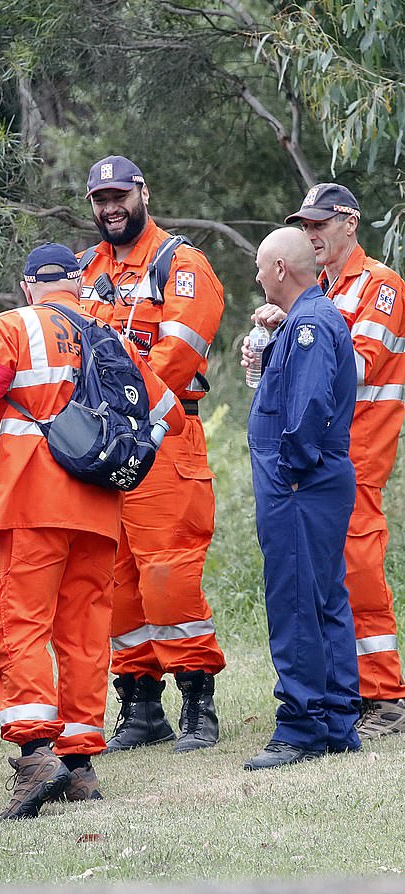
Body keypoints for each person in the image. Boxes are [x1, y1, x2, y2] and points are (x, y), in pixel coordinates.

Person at [0, 243, 185, 820]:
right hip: (100, 508)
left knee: (16, 623)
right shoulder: (113, 335)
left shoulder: (9, 327)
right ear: (77, 283)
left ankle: (34, 754)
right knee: (84, 633)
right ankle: (79, 767)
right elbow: (168, 414)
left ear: (28, 287)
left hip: (28, 501)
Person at [79, 155, 226, 753]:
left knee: (167, 572)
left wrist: (119, 399)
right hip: (105, 444)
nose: (111, 207)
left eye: (120, 195)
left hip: (163, 436)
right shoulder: (90, 269)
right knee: (115, 579)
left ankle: (197, 700)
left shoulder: (181, 265)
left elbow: (180, 353)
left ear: (143, 192)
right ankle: (140, 705)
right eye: (100, 198)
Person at [247, 183, 405, 738]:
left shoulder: (379, 285)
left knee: (355, 570)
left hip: (354, 450)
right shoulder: (324, 289)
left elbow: (351, 368)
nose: (313, 235)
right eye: (306, 227)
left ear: (350, 224)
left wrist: (288, 329)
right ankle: (348, 694)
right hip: (326, 451)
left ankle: (384, 695)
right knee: (328, 579)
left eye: (321, 225)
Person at [244, 228, 361, 770]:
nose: (258, 276)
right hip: (314, 479)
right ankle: (337, 719)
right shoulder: (305, 319)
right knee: (324, 597)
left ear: (282, 270)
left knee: (294, 599)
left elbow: (309, 405)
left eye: (262, 268)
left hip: (300, 481)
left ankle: (301, 724)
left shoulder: (310, 323)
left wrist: (291, 467)